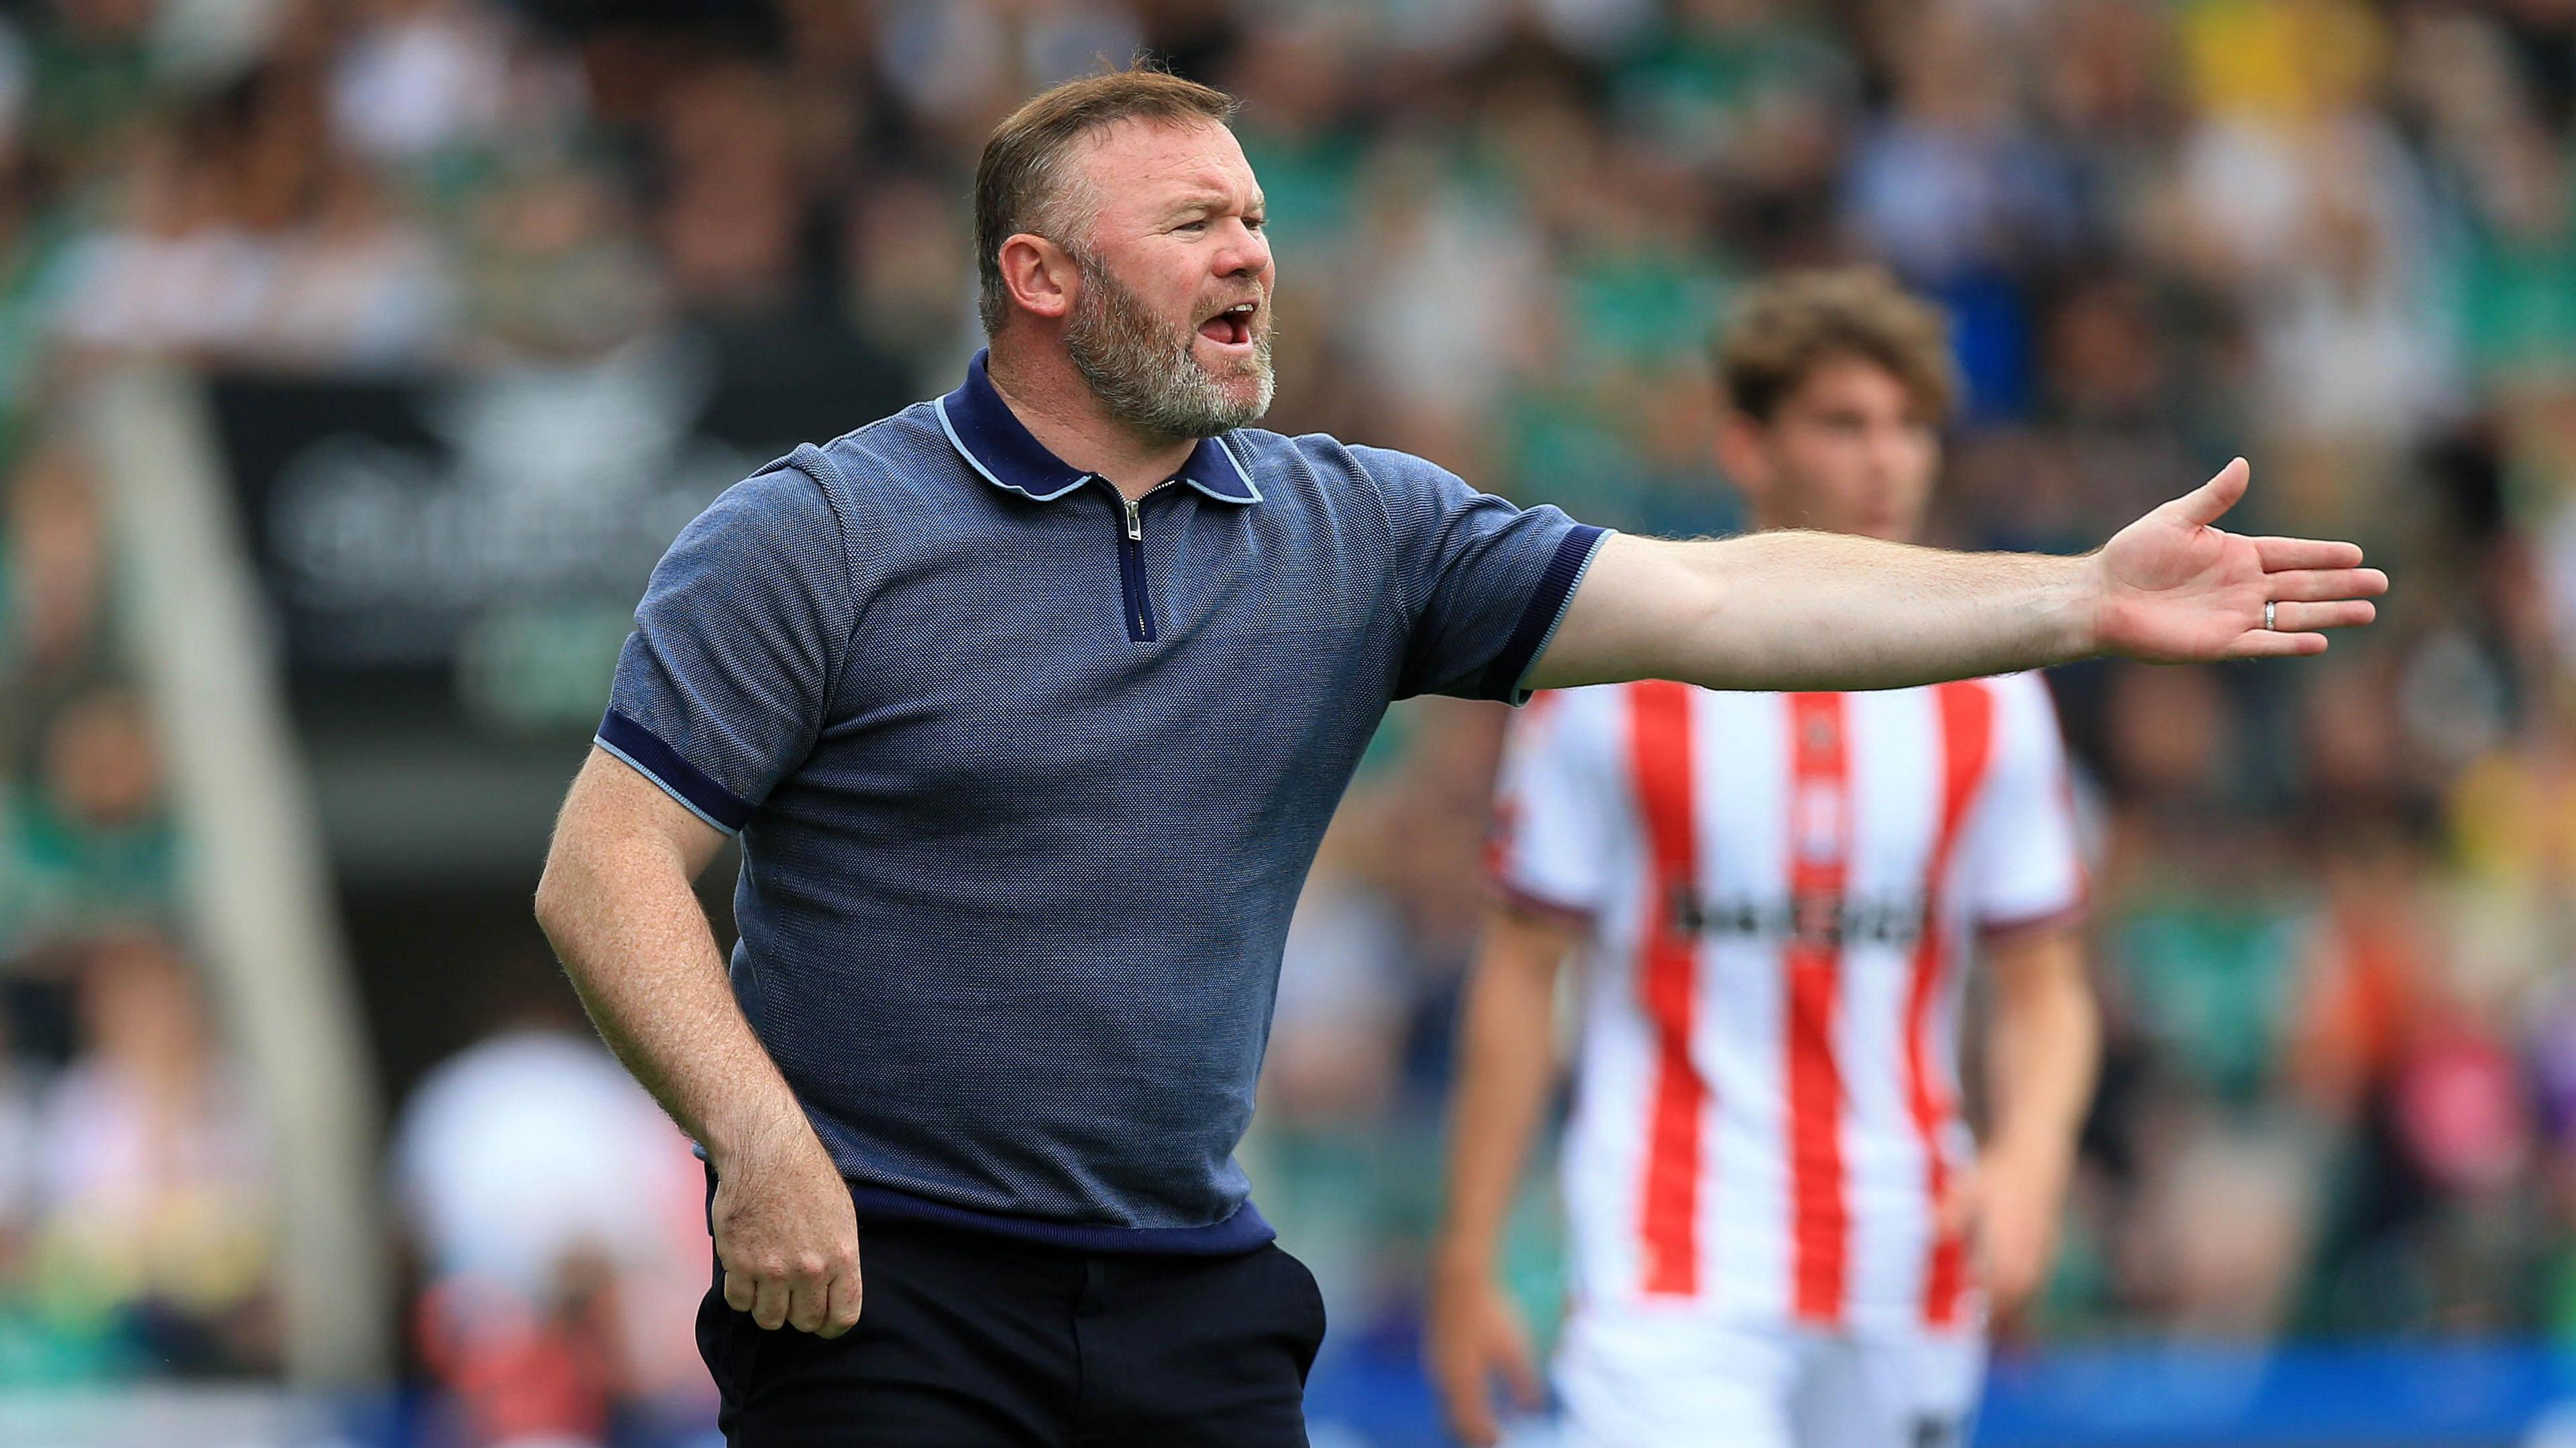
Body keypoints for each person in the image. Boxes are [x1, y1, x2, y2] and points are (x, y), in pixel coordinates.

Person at [531, 70, 2381, 1447]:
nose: (1253, 248)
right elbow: (606, 870)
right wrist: (756, 1143)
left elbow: (1731, 605)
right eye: (1191, 223)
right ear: (1037, 274)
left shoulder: (1362, 532)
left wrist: (2074, 598)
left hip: (1188, 1284)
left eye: (1256, 214)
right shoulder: (817, 534)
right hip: (881, 1288)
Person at [1426, 269, 2100, 1448]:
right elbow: (1522, 974)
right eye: (1845, 424)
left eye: (1910, 427)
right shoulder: (1615, 670)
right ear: (1747, 447)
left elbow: (2045, 989)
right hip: (1672, 1253)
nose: (1888, 459)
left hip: (1910, 1249)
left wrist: (2033, 1156)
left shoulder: (1996, 695)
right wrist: (1471, 1255)